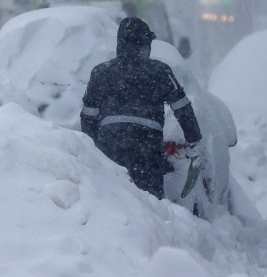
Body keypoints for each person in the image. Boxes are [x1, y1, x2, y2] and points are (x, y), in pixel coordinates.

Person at [81, 17, 203, 199]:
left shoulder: (101, 72)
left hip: (110, 144)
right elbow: (182, 108)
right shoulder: (160, 71)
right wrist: (194, 140)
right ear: (145, 44)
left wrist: (91, 148)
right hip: (147, 145)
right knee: (151, 203)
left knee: (112, 199)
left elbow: (88, 117)